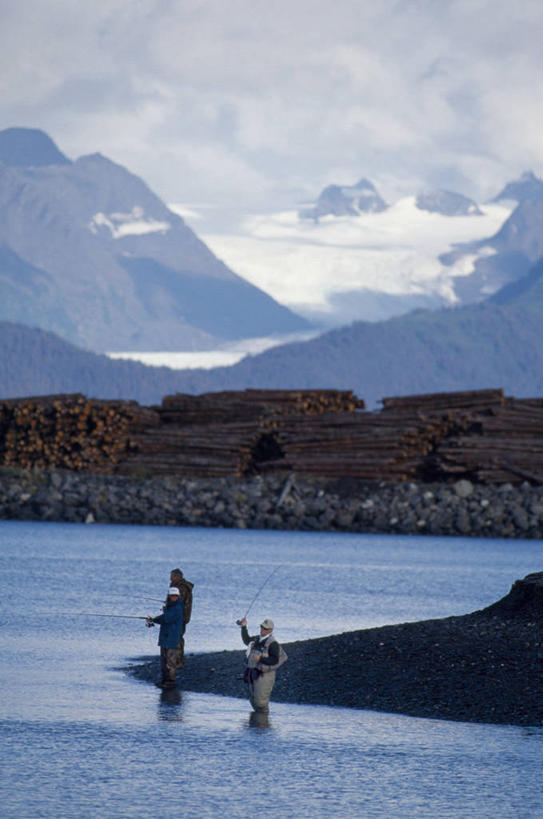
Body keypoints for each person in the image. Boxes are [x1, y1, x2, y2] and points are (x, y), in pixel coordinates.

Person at [239, 617, 284, 713]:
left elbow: (275, 660)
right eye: (262, 627)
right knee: (253, 700)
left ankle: (263, 725)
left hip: (265, 675)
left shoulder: (273, 644)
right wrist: (244, 627)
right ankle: (258, 724)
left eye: (265, 628)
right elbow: (246, 640)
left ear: (270, 630)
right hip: (253, 672)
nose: (263, 630)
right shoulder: (256, 639)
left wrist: (260, 659)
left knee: (260, 703)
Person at [146, 587, 184, 689]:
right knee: (163, 660)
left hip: (171, 638)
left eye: (175, 595)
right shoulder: (171, 606)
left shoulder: (177, 608)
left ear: (178, 596)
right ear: (169, 596)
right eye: (172, 595)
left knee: (170, 661)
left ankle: (170, 682)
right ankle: (164, 680)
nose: (173, 597)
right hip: (165, 637)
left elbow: (166, 618)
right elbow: (165, 616)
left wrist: (154, 619)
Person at [168, 568, 194, 668]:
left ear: (177, 576)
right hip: (181, 616)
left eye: (172, 576)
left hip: (179, 617)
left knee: (177, 638)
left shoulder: (181, 588)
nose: (170, 579)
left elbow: (177, 603)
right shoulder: (179, 586)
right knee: (178, 637)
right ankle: (177, 660)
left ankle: (178, 661)